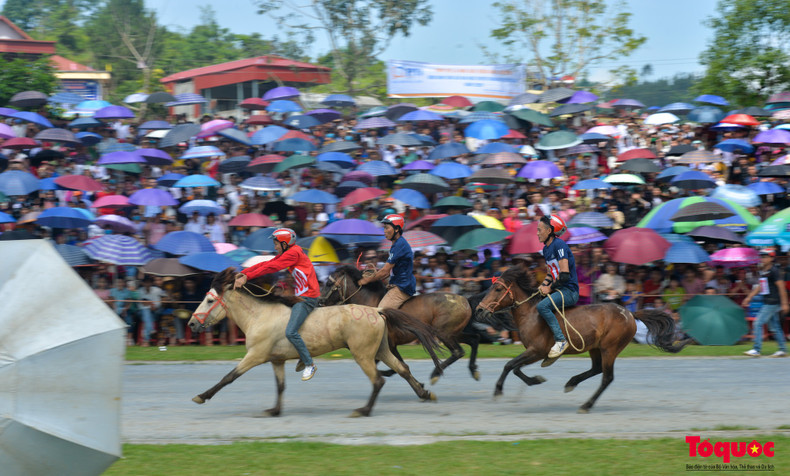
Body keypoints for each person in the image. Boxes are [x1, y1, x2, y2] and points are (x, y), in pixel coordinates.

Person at [234, 228, 321, 380]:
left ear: (285, 243)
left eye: (276, 243)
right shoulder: (290, 252)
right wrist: (245, 273)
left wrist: (247, 278)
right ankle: (301, 354)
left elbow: (271, 268)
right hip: (300, 296)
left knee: (290, 332)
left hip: (308, 298)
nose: (274, 247)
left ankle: (309, 364)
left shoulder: (294, 253)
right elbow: (268, 263)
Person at [536, 215, 579, 364]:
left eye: (539, 230)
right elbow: (551, 273)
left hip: (569, 291)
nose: (537, 233)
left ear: (549, 231)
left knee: (542, 306)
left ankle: (561, 341)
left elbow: (565, 275)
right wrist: (542, 285)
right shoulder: (546, 249)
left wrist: (550, 288)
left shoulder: (559, 245)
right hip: (558, 289)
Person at [358, 214, 416, 309]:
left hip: (402, 287)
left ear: (396, 229)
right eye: (384, 228)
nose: (384, 231)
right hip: (397, 283)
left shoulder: (399, 245)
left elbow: (385, 271)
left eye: (387, 228)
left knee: (381, 311)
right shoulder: (397, 244)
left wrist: (366, 280)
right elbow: (387, 273)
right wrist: (375, 274)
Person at [742, 249, 788, 358]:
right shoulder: (764, 271)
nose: (763, 259)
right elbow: (760, 286)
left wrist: (785, 303)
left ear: (772, 258)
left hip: (772, 302)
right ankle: (782, 350)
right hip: (767, 301)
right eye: (762, 257)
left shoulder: (774, 271)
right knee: (775, 326)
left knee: (757, 323)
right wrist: (749, 297)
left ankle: (756, 349)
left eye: (765, 257)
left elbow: (782, 288)